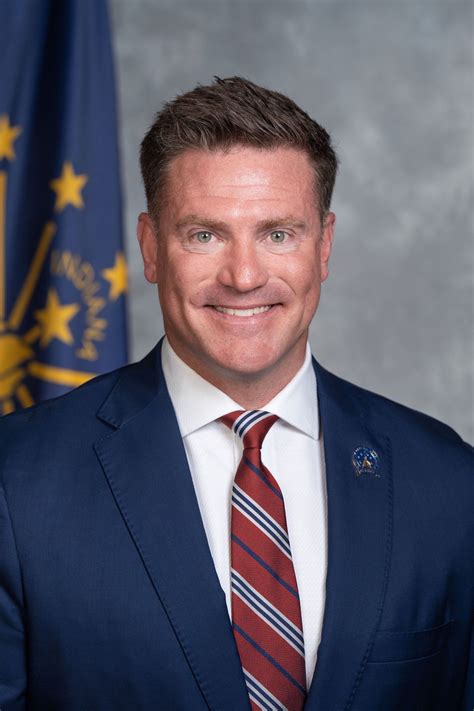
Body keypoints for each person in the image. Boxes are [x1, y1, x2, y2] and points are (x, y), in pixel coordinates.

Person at [0, 77, 472, 711]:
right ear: (150, 248)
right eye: (205, 235)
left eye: (278, 234)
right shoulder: (17, 481)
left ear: (324, 246)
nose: (244, 277)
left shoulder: (446, 481)